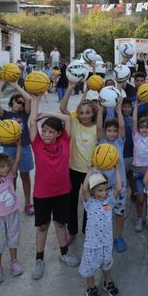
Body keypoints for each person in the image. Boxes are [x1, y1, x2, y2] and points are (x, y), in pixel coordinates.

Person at [28, 95, 78, 280]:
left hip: (63, 191)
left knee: (60, 224)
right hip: (42, 193)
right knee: (42, 226)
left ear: (57, 133)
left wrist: (48, 114)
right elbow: (33, 123)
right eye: (44, 131)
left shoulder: (65, 141)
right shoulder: (37, 143)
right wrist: (36, 101)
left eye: (50, 131)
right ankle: (39, 259)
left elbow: (68, 119)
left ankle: (64, 253)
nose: (46, 134)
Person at [60, 83, 97, 242]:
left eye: (88, 113)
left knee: (90, 203)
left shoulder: (97, 128)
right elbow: (63, 108)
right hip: (73, 169)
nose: (84, 115)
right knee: (71, 203)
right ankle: (72, 230)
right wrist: (69, 87)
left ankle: (87, 230)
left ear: (93, 113)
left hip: (90, 172)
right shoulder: (73, 124)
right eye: (81, 113)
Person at [0, 78, 35, 215]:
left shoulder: (24, 114)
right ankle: (12, 201)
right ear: (11, 103)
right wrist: (0, 85)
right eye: (18, 102)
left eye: (22, 104)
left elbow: (28, 99)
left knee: (25, 176)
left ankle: (28, 203)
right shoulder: (5, 115)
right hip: (9, 149)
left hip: (24, 148)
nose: (21, 105)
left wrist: (16, 85)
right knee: (12, 176)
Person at [78, 172, 121, 296]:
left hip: (106, 242)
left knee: (107, 263)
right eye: (99, 190)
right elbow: (84, 189)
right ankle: (91, 288)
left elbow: (118, 188)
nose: (103, 193)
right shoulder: (89, 203)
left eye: (105, 189)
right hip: (92, 244)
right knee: (90, 267)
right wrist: (89, 171)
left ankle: (107, 283)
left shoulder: (108, 202)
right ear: (92, 191)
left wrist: (116, 167)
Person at [0, 137, 23, 285]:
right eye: (2, 166)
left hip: (12, 213)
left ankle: (14, 261)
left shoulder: (9, 176)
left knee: (13, 239)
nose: (6, 168)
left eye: (7, 165)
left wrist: (19, 145)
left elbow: (17, 161)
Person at [96, 98, 128, 252]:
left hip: (119, 185)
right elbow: (98, 127)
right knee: (105, 213)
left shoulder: (120, 142)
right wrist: (100, 110)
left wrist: (119, 108)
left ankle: (119, 236)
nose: (112, 133)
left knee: (119, 213)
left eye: (114, 131)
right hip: (103, 188)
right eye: (109, 130)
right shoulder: (101, 140)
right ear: (105, 131)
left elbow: (122, 126)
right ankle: (105, 237)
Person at [131, 100, 148, 232]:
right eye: (142, 127)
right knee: (140, 198)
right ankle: (140, 218)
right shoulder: (135, 136)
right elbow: (134, 121)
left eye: (147, 127)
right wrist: (136, 105)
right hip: (137, 171)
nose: (144, 129)